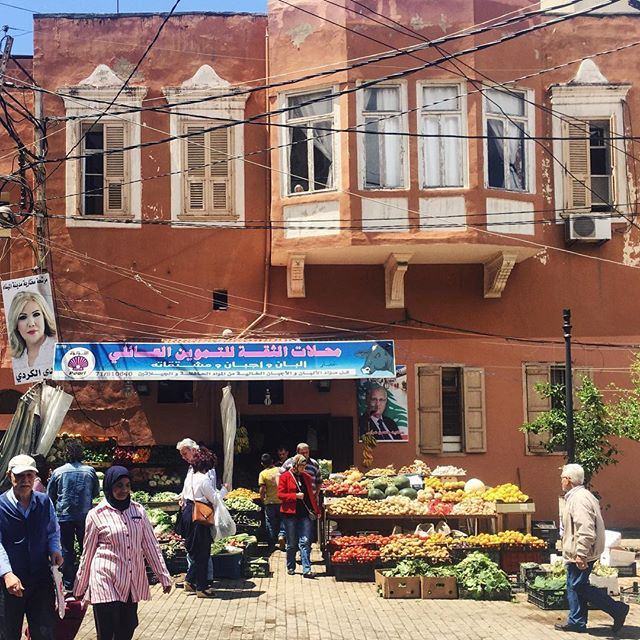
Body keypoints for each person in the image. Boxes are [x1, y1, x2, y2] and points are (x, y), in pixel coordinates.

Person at [74, 466, 171, 640]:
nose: (124, 490)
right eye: (119, 485)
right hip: (104, 577)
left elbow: (151, 546)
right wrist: (80, 586)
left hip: (130, 578)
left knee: (127, 626)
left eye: (127, 485)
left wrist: (163, 576)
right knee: (107, 629)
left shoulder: (138, 511)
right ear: (110, 486)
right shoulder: (96, 514)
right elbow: (87, 552)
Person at [554, 464, 629, 634]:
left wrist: (581, 554)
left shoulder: (579, 499)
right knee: (574, 585)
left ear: (568, 480)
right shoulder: (580, 496)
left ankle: (617, 609)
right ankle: (577, 621)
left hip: (582, 551)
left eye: (562, 478)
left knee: (578, 585)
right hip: (582, 550)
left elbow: (586, 528)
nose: (561, 481)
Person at [0, 454, 63, 640]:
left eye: (29, 475)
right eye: (20, 475)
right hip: (9, 582)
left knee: (44, 633)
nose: (25, 480)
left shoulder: (44, 502)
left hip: (40, 579)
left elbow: (53, 531)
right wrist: (7, 573)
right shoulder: (1, 505)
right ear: (9, 475)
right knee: (7, 634)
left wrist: (55, 549)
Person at [47, 439, 100, 592]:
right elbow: (96, 492)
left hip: (64, 516)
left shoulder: (58, 472)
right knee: (88, 549)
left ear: (66, 454)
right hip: (85, 516)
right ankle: (88, 582)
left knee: (67, 550)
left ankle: (69, 584)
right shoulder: (90, 471)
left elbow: (50, 495)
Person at [178, 449, 217, 598]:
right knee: (203, 552)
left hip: (188, 513)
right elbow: (214, 499)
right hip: (200, 516)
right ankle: (201, 588)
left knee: (195, 551)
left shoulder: (191, 477)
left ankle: (189, 581)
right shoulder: (204, 479)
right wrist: (225, 490)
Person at [277, 454, 319, 578]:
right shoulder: (285, 477)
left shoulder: (306, 476)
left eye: (304, 466)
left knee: (305, 541)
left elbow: (311, 495)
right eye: (301, 466)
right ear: (295, 465)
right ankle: (290, 566)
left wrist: (316, 510)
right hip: (290, 514)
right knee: (291, 542)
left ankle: (307, 569)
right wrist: (294, 496)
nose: (303, 468)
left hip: (304, 514)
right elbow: (280, 495)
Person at [7, 291, 57, 379]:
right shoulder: (14, 360)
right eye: (22, 317)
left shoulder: (59, 349)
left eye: (36, 314)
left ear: (44, 317)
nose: (31, 324)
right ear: (16, 325)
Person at [258, 453, 281, 550]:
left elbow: (262, 489)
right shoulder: (279, 470)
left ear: (262, 464)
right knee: (281, 521)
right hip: (280, 501)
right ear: (272, 461)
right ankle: (281, 537)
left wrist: (262, 499)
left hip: (270, 502)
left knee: (270, 523)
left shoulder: (263, 474)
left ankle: (272, 545)